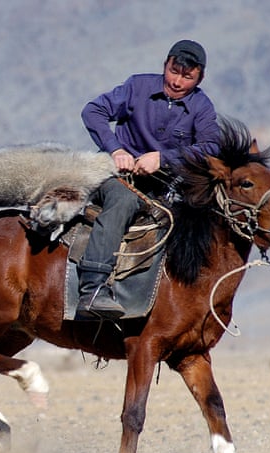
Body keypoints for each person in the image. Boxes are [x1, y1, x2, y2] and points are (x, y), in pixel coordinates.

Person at [77, 39, 220, 319]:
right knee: (123, 201)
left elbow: (211, 147)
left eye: (187, 77)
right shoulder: (137, 87)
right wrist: (116, 149)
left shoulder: (202, 107)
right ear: (165, 64)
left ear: (199, 78)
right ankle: (92, 288)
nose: (177, 81)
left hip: (166, 186)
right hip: (118, 176)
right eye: (173, 71)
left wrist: (162, 159)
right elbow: (92, 111)